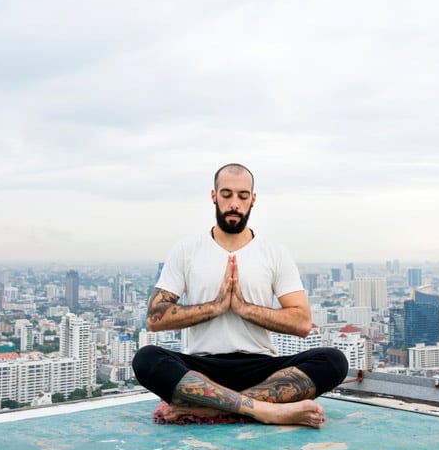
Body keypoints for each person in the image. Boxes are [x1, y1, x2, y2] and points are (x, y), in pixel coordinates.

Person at [132, 163, 348, 428]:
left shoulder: (274, 252)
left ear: (253, 200)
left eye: (242, 196)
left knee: (333, 361)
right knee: (146, 359)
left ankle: (207, 410)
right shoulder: (187, 249)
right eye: (226, 195)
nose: (234, 203)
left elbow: (302, 322)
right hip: (200, 370)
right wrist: (215, 307)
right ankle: (265, 411)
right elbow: (155, 317)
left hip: (262, 370)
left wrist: (246, 309)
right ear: (214, 196)